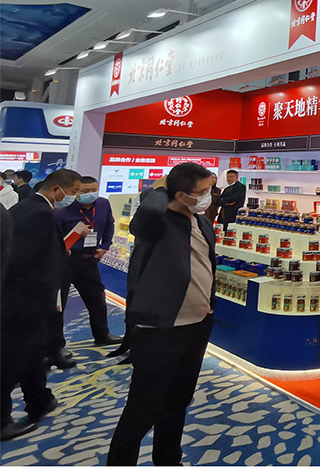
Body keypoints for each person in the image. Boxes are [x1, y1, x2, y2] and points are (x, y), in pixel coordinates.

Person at [107, 163, 219, 465]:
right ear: (180, 194)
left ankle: (168, 460)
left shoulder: (201, 222)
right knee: (143, 408)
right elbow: (147, 213)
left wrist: (209, 305)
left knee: (179, 400)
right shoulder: (156, 223)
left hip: (197, 325)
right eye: (202, 192)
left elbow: (206, 264)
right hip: (160, 329)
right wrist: (159, 188)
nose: (208, 196)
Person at [1, 169, 82, 441]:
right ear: (56, 189)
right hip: (24, 302)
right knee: (12, 360)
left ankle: (40, 399)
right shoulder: (39, 213)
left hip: (28, 301)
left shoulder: (29, 207)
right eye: (74, 192)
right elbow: (18, 259)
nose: (75, 197)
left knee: (33, 354)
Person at [53, 176, 122, 347]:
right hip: (66, 261)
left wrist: (105, 246)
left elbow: (109, 225)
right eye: (85, 191)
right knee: (59, 304)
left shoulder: (103, 204)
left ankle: (102, 335)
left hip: (89, 260)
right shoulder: (62, 211)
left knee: (97, 299)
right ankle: (56, 345)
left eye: (93, 190)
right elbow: (54, 239)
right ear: (76, 192)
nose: (90, 194)